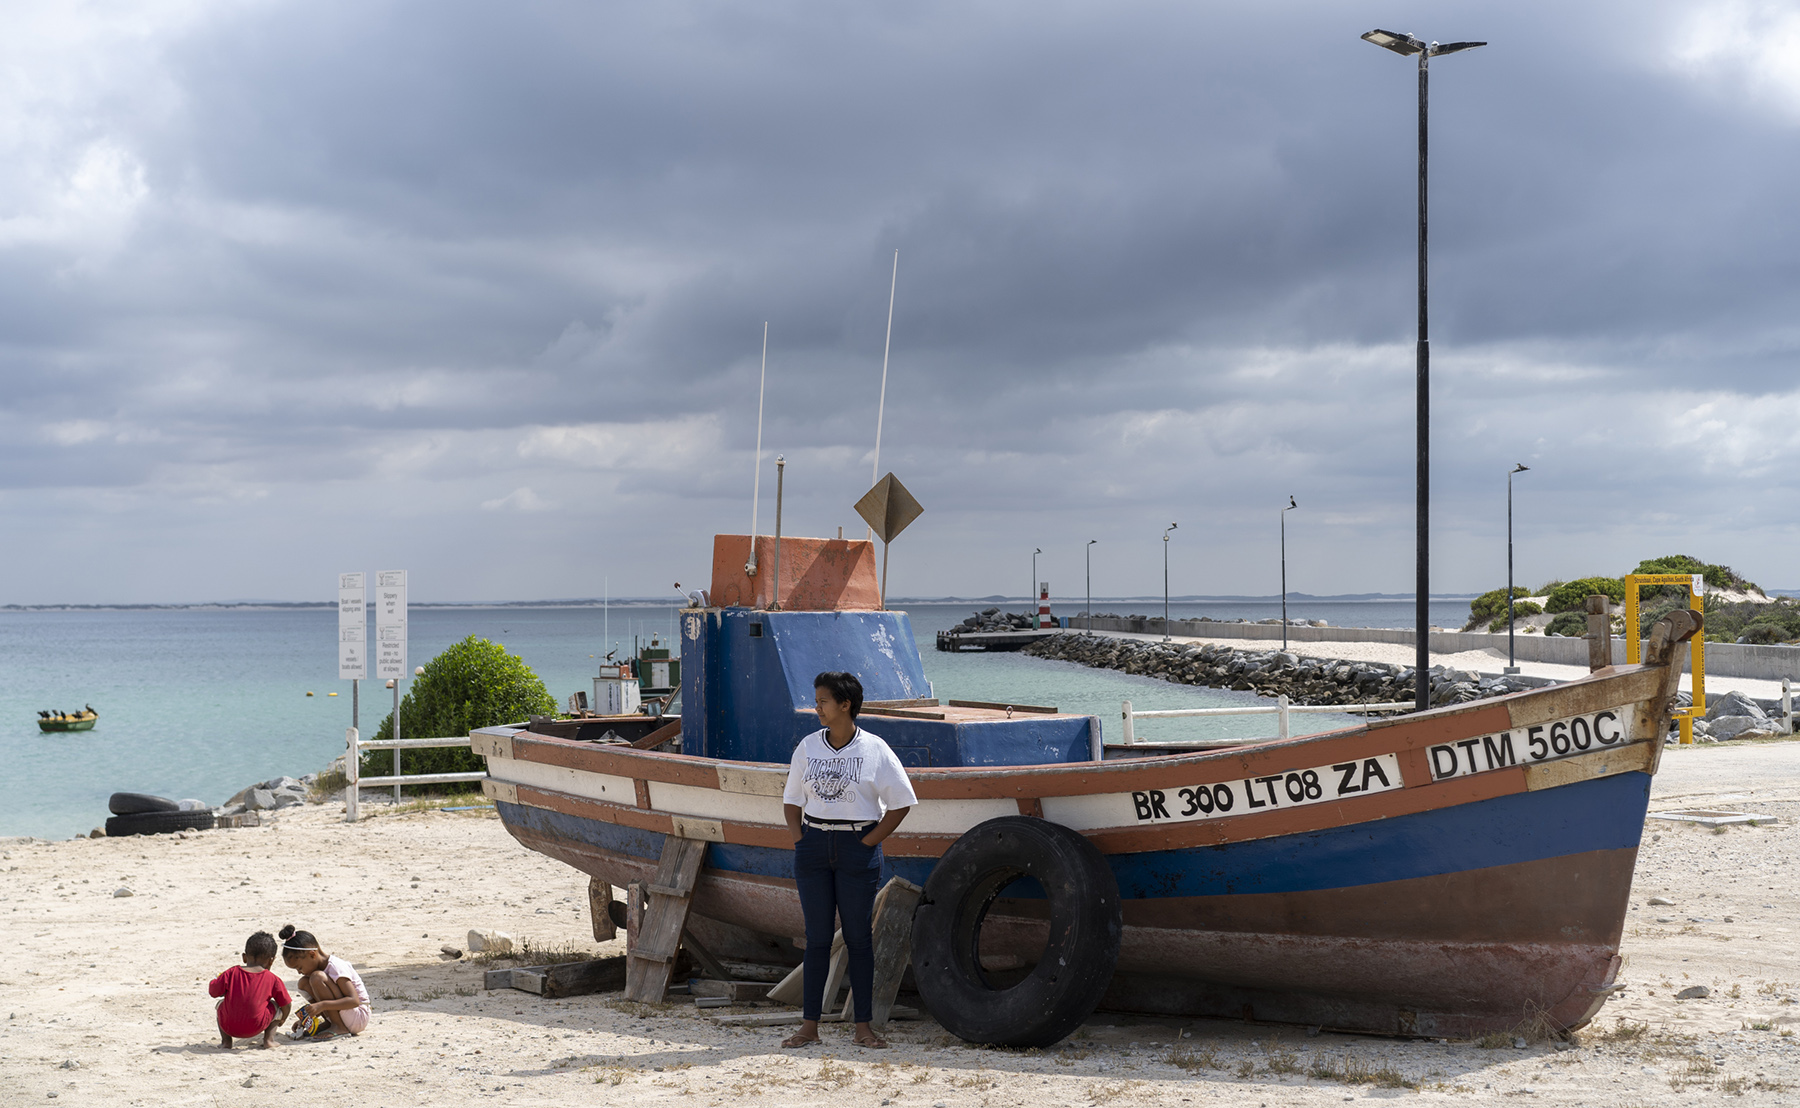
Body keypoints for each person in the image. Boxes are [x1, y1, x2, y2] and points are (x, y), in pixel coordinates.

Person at [780, 670, 915, 1049]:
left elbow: (902, 803)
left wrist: (868, 842)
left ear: (845, 704)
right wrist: (800, 840)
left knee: (858, 940)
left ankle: (863, 1028)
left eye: (823, 701)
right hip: (813, 847)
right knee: (817, 939)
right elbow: (792, 801)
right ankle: (809, 1026)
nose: (817, 707)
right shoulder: (808, 746)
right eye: (816, 699)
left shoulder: (875, 749)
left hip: (858, 848)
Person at [279, 924, 371, 1039]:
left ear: (312, 954)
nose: (299, 972)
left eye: (300, 967)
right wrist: (307, 1019)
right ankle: (330, 1023)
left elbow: (354, 1001)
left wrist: (322, 1005)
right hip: (347, 1014)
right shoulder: (316, 971)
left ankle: (339, 1027)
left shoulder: (335, 966)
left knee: (317, 977)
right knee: (303, 983)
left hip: (358, 1016)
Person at [209, 930, 292, 1049]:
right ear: (271, 960)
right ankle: (269, 1040)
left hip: (228, 1026)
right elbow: (286, 1004)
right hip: (256, 1027)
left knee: (220, 1004)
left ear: (244, 957)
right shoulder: (272, 979)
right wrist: (283, 1018)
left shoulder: (231, 973)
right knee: (275, 1005)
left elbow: (213, 992)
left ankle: (226, 1042)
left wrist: (215, 980)